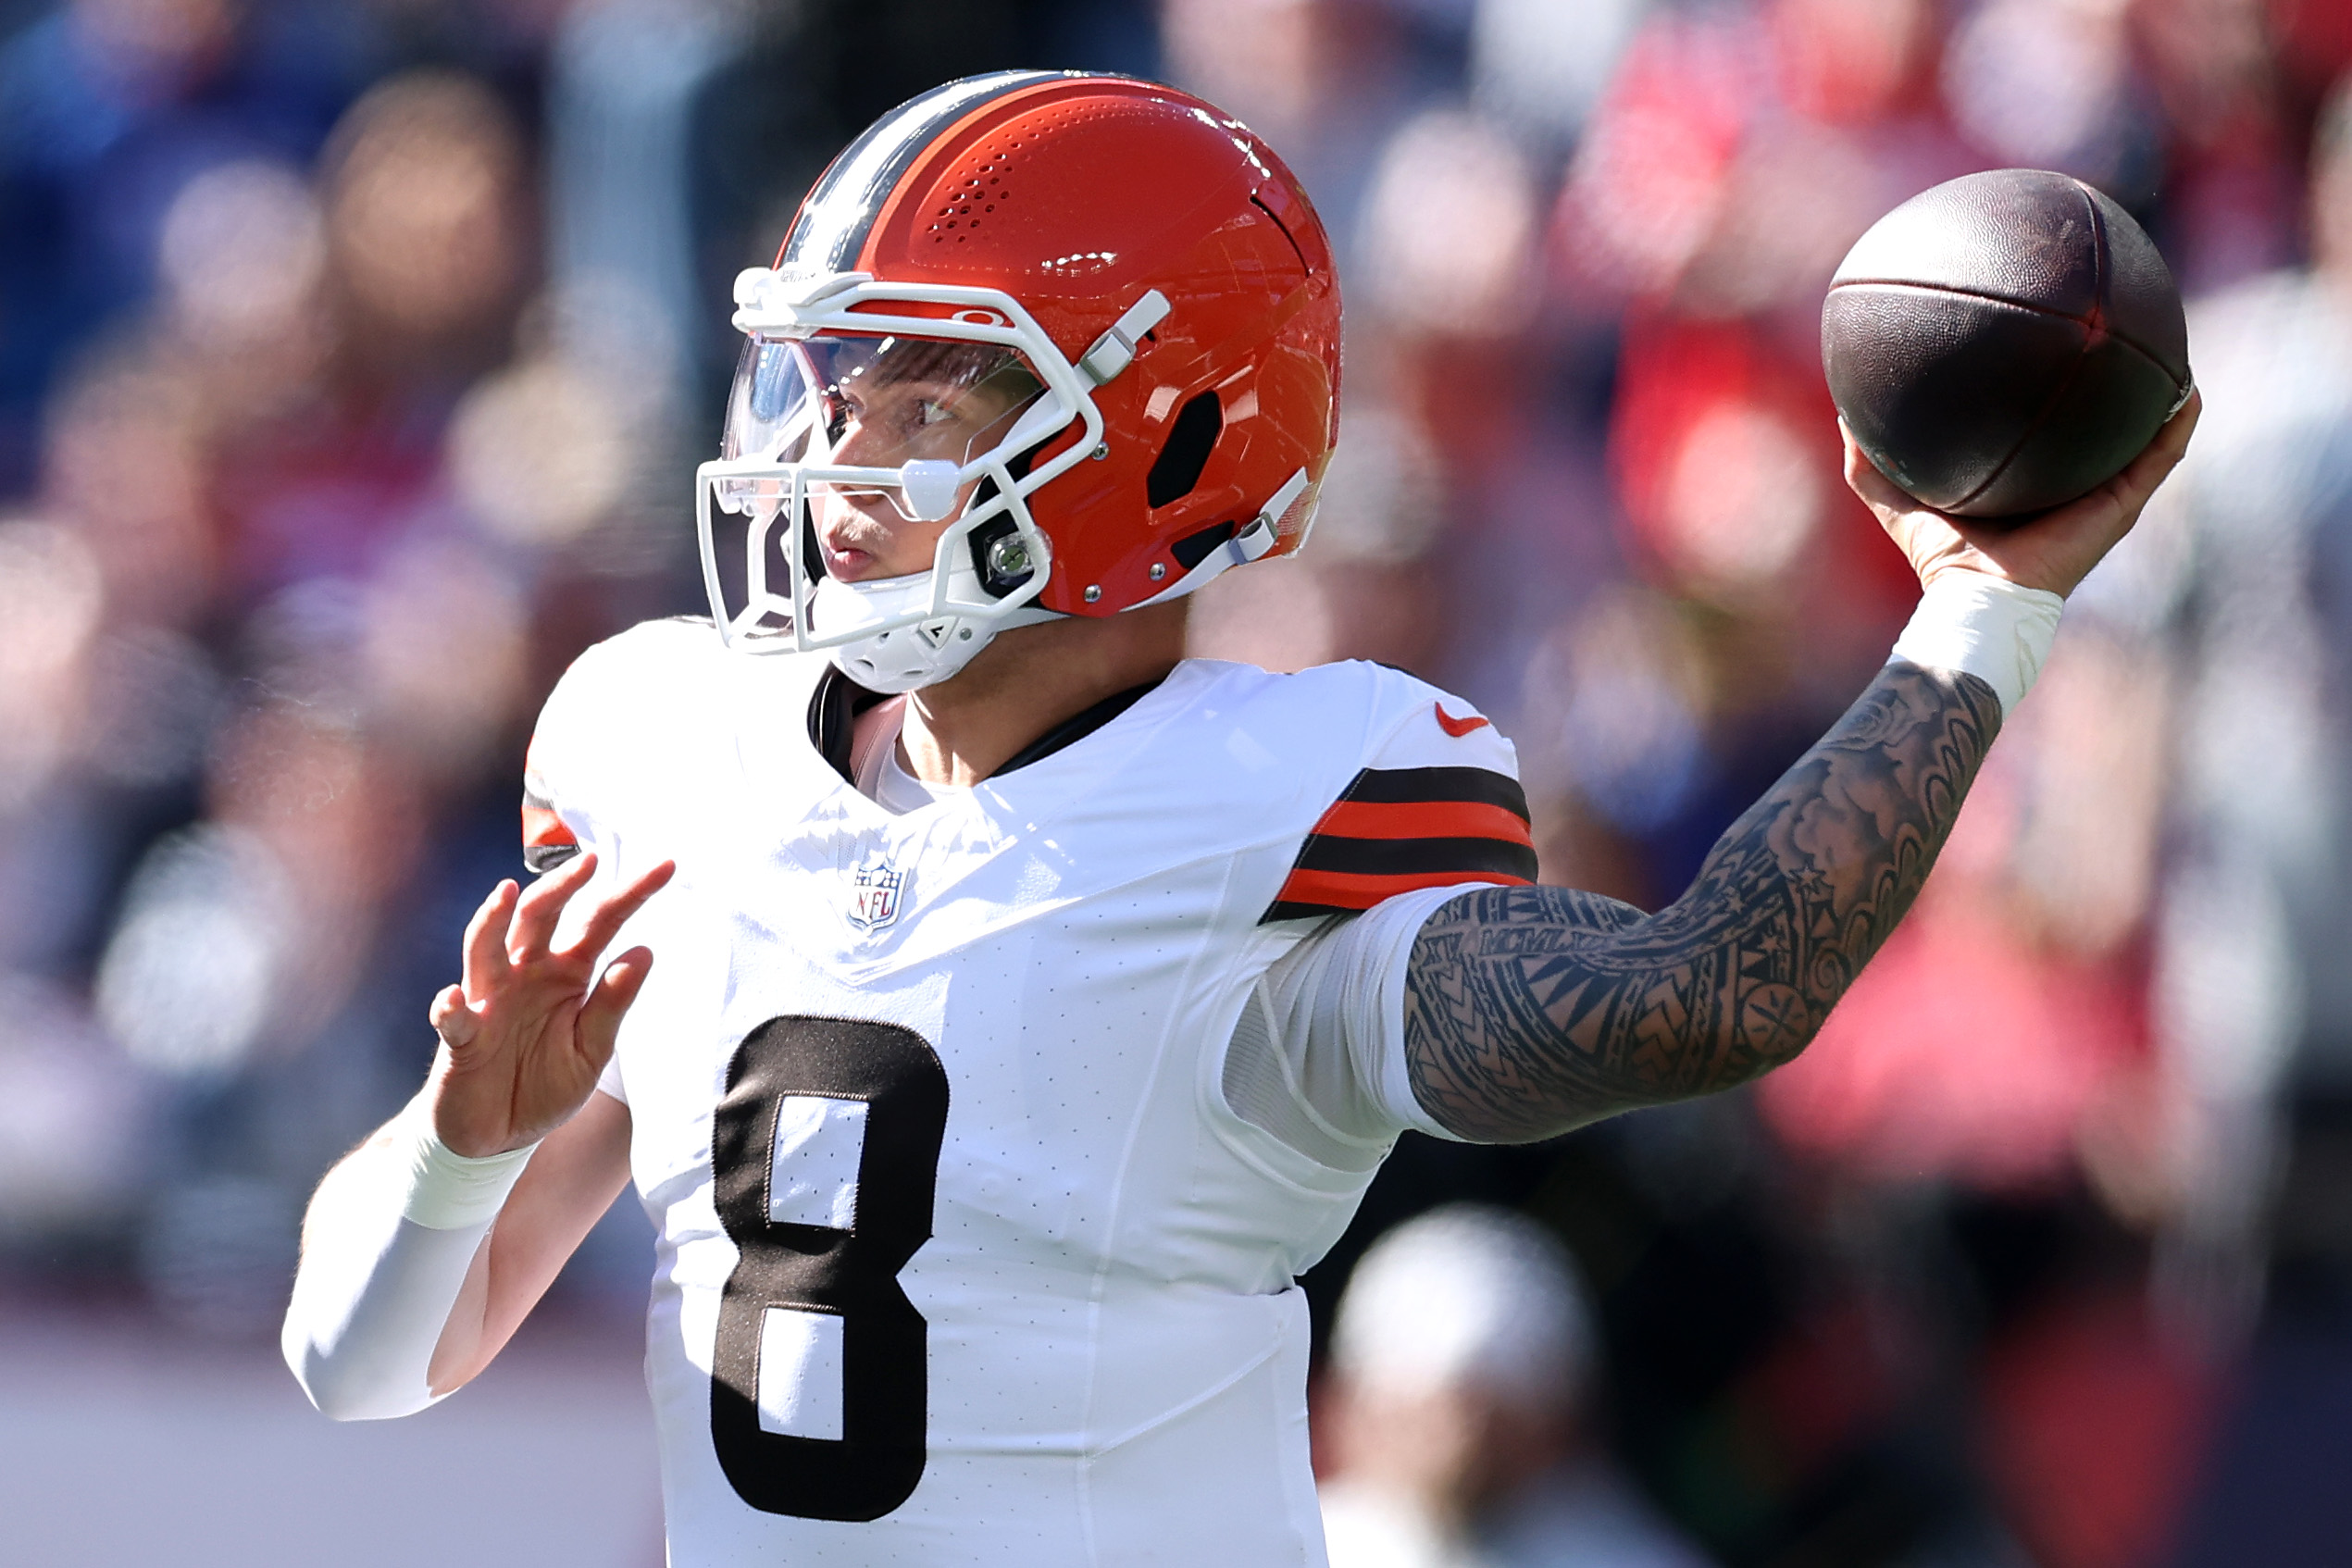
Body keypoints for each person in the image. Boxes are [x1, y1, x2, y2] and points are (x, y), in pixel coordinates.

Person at [279, 70, 2198, 1567]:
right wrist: (467, 1134)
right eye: (835, 382)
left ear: (1171, 435)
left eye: (930, 401)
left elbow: (1704, 996)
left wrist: (1982, 603)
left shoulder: (1281, 812)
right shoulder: (664, 738)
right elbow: (357, 1364)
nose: (832, 458)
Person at [1316, 1205, 1711, 1568]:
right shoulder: (1299, 1544)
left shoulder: (1633, 1556)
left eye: (1487, 1411)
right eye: (1417, 1414)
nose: (1453, 1441)